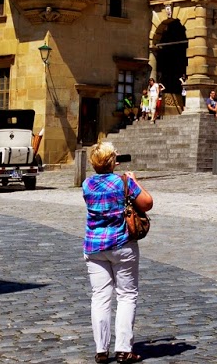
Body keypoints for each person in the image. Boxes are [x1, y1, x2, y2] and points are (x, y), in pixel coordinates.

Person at [82, 141, 152, 363]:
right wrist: (133, 179)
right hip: (121, 244)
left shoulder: (87, 185)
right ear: (113, 160)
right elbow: (147, 203)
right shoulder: (123, 183)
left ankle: (101, 350)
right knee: (126, 295)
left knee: (100, 297)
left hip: (94, 246)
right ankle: (123, 349)